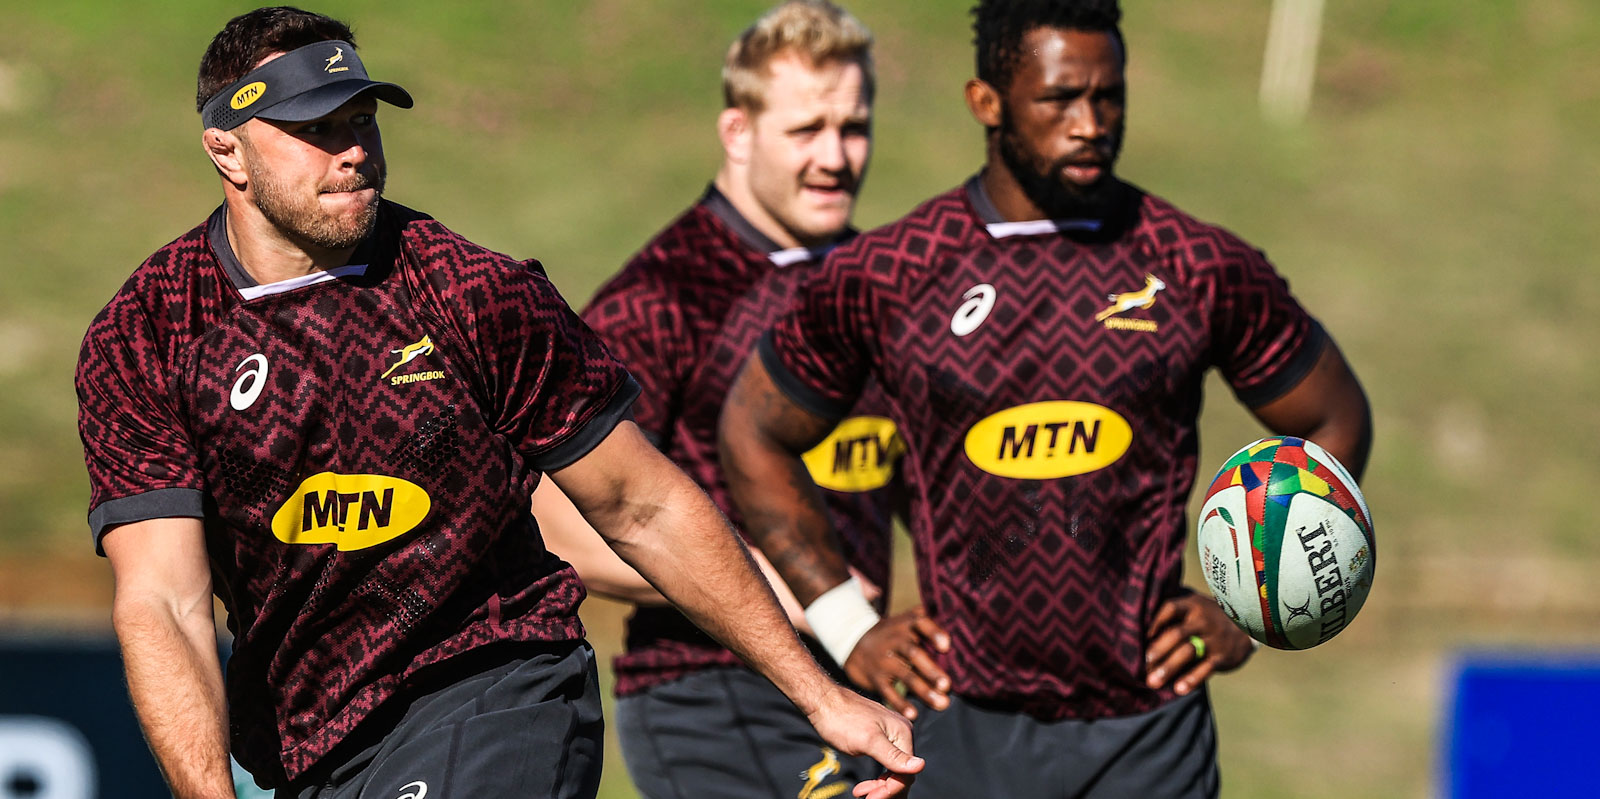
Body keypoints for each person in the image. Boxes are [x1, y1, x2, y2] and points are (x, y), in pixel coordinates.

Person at [74, 7, 920, 798]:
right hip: (312, 744)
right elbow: (165, 603)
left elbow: (642, 504)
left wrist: (821, 695)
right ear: (227, 151)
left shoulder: (469, 289)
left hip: (497, 680)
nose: (354, 151)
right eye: (315, 129)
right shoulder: (148, 335)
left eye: (362, 119)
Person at [717, 0, 1374, 796]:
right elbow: (753, 433)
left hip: (1151, 733)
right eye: (1060, 99)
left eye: (1109, 96)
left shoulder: (1197, 265)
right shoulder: (892, 274)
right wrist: (848, 626)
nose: (1090, 123)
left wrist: (1251, 615)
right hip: (957, 724)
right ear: (986, 102)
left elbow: (1332, 416)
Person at [531, 4, 950, 798]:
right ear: (738, 131)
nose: (835, 157)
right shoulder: (664, 297)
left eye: (854, 128)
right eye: (806, 130)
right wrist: (788, 591)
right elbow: (555, 520)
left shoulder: (878, 288)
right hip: (711, 691)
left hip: (863, 683)